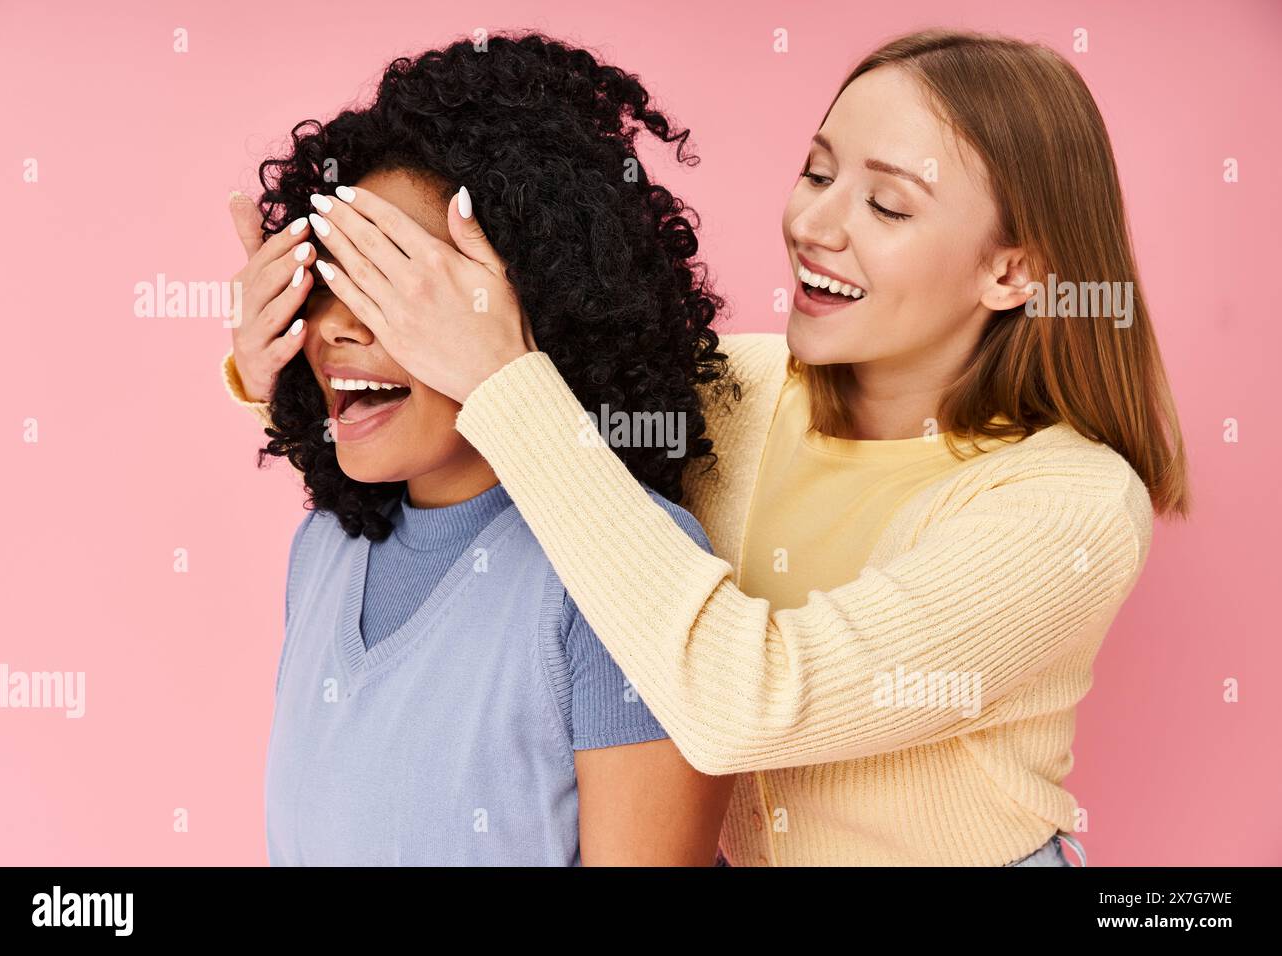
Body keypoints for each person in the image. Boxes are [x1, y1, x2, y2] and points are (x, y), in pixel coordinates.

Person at [224, 29, 1189, 866]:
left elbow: (746, 700)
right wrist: (280, 362)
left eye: (886, 207)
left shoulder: (1070, 509)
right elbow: (542, 373)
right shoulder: (741, 390)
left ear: (1011, 270)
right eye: (816, 172)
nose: (813, 225)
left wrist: (497, 369)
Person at [223, 35, 736, 865]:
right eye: (325, 279)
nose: (335, 326)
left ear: (540, 300)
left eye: (394, 283)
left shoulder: (628, 573)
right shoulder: (321, 551)